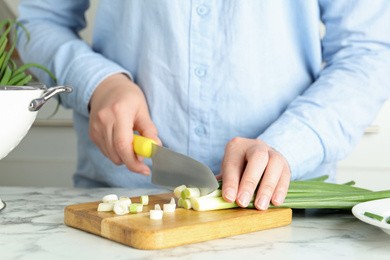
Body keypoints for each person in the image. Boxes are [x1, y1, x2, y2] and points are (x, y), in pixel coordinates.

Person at [16, 1, 390, 210]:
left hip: (286, 208)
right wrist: (98, 83)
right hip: (123, 203)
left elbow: (368, 51)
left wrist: (290, 145)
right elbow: (38, 22)